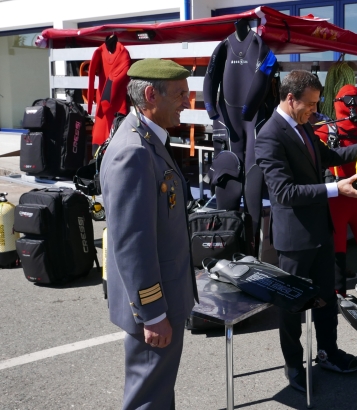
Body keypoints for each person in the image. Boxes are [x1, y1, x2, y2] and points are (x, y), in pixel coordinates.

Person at [255, 70, 357, 392]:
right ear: (290, 98)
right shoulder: (269, 135)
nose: (314, 110)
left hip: (321, 231)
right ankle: (294, 364)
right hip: (294, 240)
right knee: (291, 308)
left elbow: (329, 156)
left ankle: (328, 352)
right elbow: (284, 193)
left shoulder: (304, 126)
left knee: (327, 298)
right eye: (309, 104)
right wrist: (336, 189)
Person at [100, 59, 198, 409]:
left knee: (157, 391)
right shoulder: (135, 152)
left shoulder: (146, 137)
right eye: (181, 94)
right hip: (154, 305)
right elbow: (132, 244)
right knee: (148, 398)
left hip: (163, 297)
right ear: (151, 94)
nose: (188, 102)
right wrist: (154, 312)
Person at [314, 84, 357, 298]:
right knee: (338, 250)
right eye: (349, 101)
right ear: (337, 103)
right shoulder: (326, 129)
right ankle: (338, 292)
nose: (354, 106)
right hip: (337, 197)